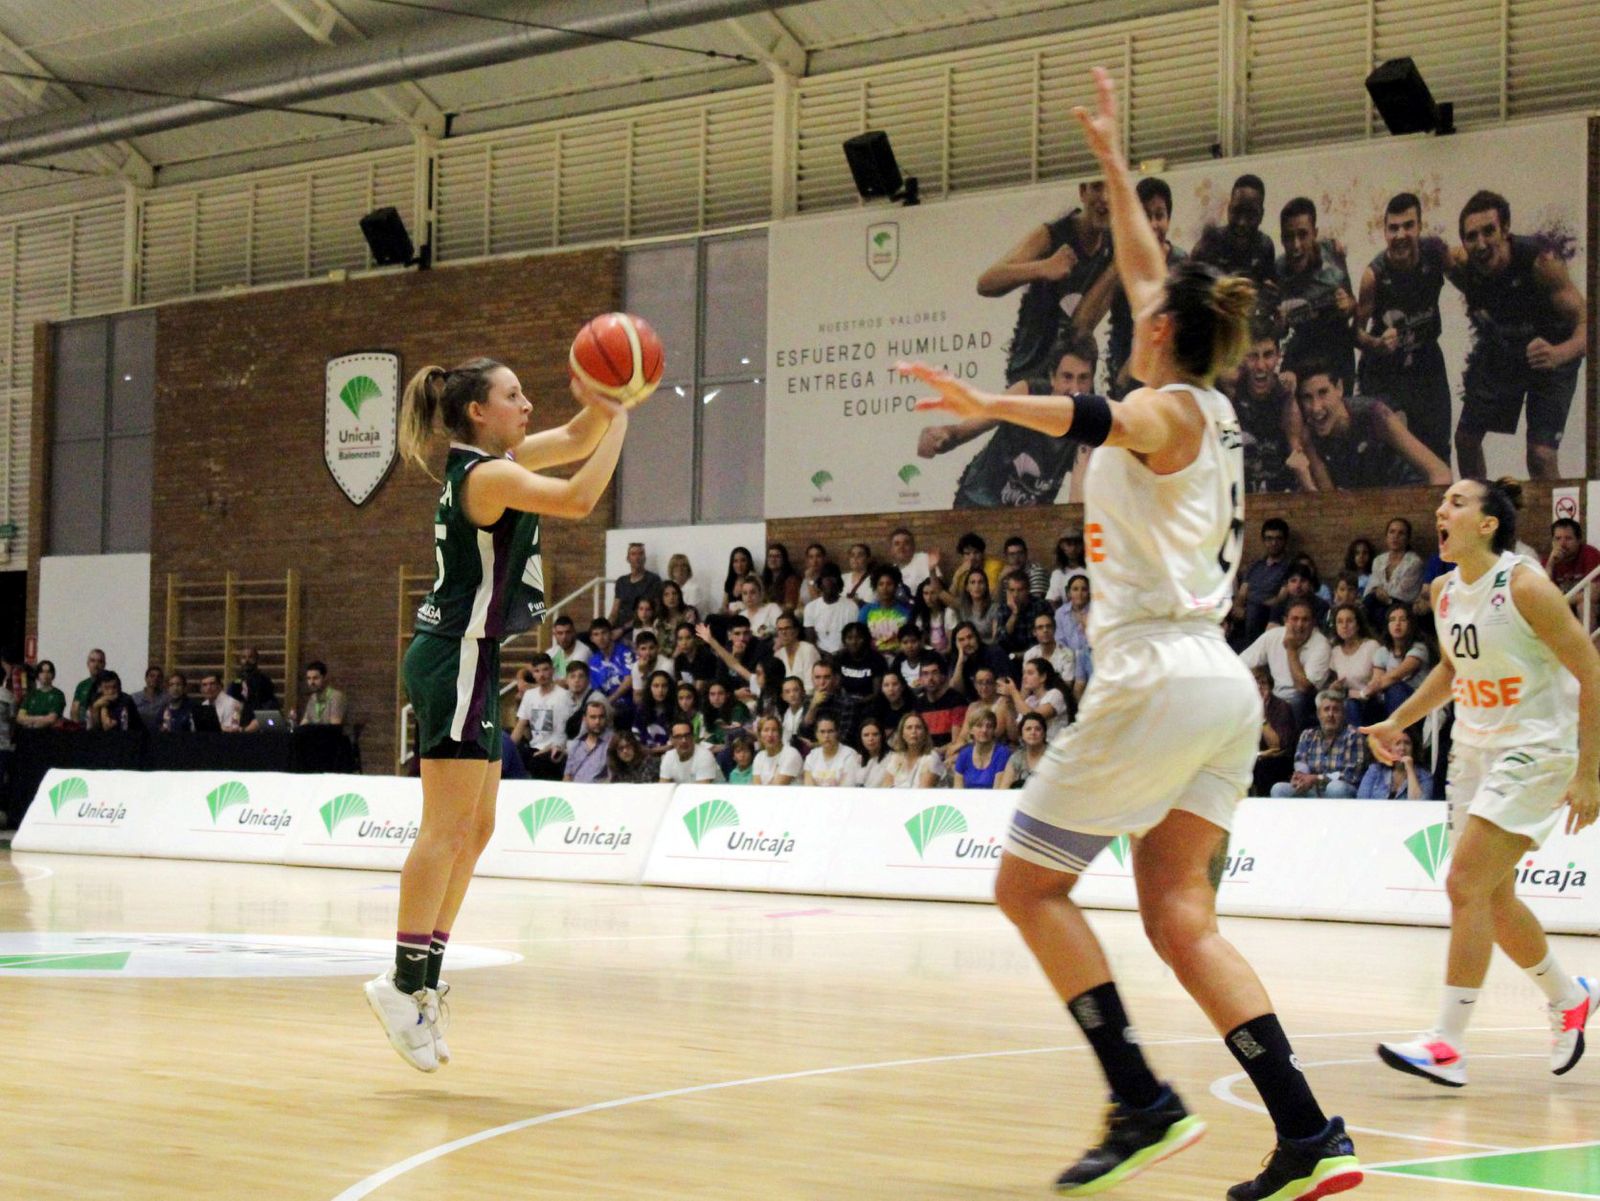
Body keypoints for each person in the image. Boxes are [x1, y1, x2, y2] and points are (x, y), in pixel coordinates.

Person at [902, 69, 1357, 1199]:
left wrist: (988, 402)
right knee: (1179, 916)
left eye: (1144, 308)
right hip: (1218, 686)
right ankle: (1309, 1133)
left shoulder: (1158, 408)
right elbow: (1152, 274)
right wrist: (1112, 160)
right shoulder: (1211, 399)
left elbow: (1089, 412)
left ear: (1154, 333)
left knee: (1027, 888)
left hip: (1155, 671)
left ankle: (1141, 1099)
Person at [377, 355, 626, 1074]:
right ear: (478, 412)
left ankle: (423, 982)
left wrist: (607, 400)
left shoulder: (500, 462)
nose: (527, 404)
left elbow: (575, 437)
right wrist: (622, 415)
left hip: (475, 656)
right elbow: (579, 496)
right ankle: (401, 983)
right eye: (513, 395)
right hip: (453, 656)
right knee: (444, 828)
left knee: (477, 828)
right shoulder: (486, 476)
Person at [1366, 478, 1599, 1085]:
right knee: (1492, 899)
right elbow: (1452, 669)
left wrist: (1589, 771)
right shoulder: (1442, 591)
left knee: (1464, 882)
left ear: (1488, 524)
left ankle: (1447, 1043)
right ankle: (1569, 997)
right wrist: (1397, 718)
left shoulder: (1525, 586)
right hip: (1473, 753)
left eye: (1457, 503)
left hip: (1534, 749)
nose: (1440, 510)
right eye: (1442, 502)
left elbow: (1590, 668)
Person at [1445, 191, 1587, 480]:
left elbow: (1588, 323)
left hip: (1550, 354)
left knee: (1540, 456)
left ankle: (1559, 511)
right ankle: (1482, 506)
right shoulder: (1460, 264)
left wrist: (1559, 354)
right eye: (1471, 237)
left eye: (1489, 231)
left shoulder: (1542, 263)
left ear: (1505, 230)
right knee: (1465, 441)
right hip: (1504, 351)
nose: (1481, 244)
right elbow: (1420, 254)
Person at [918, 334, 1097, 509]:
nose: (1075, 389)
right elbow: (967, 429)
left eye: (1083, 378)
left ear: (1091, 381)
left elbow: (1078, 499)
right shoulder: (1027, 394)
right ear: (1052, 377)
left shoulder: (1090, 424)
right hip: (976, 504)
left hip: (1029, 519)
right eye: (1067, 377)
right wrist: (942, 437)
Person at [979, 178, 1116, 386]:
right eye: (1097, 187)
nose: (1104, 197)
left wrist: (1115, 270)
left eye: (1112, 189)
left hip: (1072, 376)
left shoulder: (1113, 248)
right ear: (1082, 192)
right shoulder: (1053, 235)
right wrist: (1044, 267)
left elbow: (1082, 325)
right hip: (1031, 371)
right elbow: (986, 282)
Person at [1356, 193, 1453, 467]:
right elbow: (1355, 333)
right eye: (1393, 228)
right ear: (1385, 232)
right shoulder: (1373, 276)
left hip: (1427, 364)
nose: (1400, 235)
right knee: (1391, 454)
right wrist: (1377, 344)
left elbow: (1469, 282)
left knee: (1438, 450)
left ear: (1420, 226)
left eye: (1408, 226)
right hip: (1385, 372)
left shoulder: (1435, 255)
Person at [1294, 362, 1451, 490]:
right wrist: (1305, 480)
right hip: (1369, 507)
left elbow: (1441, 473)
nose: (1316, 407)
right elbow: (1329, 499)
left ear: (1339, 388)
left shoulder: (1375, 414)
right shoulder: (1309, 436)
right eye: (1307, 397)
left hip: (1408, 495)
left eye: (1323, 393)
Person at [1106, 176, 1186, 398]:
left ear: (1168, 218)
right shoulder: (1122, 266)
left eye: (1159, 216)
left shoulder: (1182, 265)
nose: (1153, 224)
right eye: (1145, 216)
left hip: (1170, 375)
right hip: (1128, 375)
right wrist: (1122, 374)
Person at [1271, 197, 1355, 385]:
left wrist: (1347, 305)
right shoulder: (1276, 271)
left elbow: (1352, 304)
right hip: (1300, 355)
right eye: (1289, 237)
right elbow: (1277, 332)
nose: (1296, 245)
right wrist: (1279, 326)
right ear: (1281, 238)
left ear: (1314, 234)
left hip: (1337, 355)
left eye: (1303, 235)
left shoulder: (1333, 254)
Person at [1227, 320, 1303, 494]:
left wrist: (1311, 490)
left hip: (1282, 490)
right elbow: (1226, 451)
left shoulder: (1285, 393)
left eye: (1268, 355)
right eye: (1253, 356)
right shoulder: (1231, 391)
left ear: (1278, 356)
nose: (1261, 366)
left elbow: (1296, 448)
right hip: (1241, 490)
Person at [1240, 598, 1332, 734]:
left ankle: (1289, 746)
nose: (1299, 625)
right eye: (1295, 619)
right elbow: (1240, 664)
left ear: (1313, 623)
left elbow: (1304, 687)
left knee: (1298, 700)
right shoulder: (1273, 636)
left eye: (1305, 620)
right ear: (1286, 621)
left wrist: (1291, 650)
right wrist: (1259, 678)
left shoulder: (1321, 644)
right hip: (1275, 697)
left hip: (1305, 701)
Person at [1267, 691, 1365, 798]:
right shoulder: (1307, 735)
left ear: (1343, 715)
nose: (1330, 714)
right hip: (1312, 789)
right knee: (1279, 789)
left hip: (1342, 790)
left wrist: (1317, 779)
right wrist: (1300, 777)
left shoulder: (1353, 736)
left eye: (1336, 710)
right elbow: (1301, 763)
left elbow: (1351, 775)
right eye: (1326, 709)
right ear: (1318, 714)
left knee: (1335, 788)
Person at [1190, 173, 1277, 289]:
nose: (1242, 222)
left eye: (1250, 214)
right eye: (1237, 211)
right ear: (1229, 209)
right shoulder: (1209, 245)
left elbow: (1268, 289)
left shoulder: (1265, 247)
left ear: (1261, 215)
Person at [510, 653, 572, 780]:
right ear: (533, 674)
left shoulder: (564, 696)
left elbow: (566, 731)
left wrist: (554, 748)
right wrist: (508, 748)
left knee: (538, 763)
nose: (541, 675)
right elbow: (520, 725)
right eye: (537, 671)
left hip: (554, 749)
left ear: (552, 670)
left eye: (545, 669)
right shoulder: (529, 695)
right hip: (534, 747)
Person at [1365, 603, 1430, 720]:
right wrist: (1368, 691)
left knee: (1396, 688)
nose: (1397, 624)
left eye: (1403, 620)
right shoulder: (1382, 652)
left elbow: (1396, 676)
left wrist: (1370, 688)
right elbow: (1377, 680)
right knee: (1355, 704)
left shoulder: (1419, 648)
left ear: (1410, 624)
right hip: (1389, 702)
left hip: (1418, 704)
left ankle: (1399, 730)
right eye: (1392, 620)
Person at [1326, 604, 1380, 728]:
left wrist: (1348, 693)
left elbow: (1376, 685)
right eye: (1340, 622)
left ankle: (1356, 739)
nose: (1344, 625)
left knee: (1351, 705)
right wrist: (1334, 687)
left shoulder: (1372, 646)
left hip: (1369, 703)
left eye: (1349, 621)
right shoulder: (1335, 652)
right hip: (1345, 702)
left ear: (1358, 624)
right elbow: (1335, 684)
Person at [1364, 518, 1424, 628]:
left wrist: (1379, 592)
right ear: (1386, 536)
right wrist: (1376, 590)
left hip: (1402, 608)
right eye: (1392, 532)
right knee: (1368, 603)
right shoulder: (1378, 560)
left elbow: (1401, 594)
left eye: (1401, 533)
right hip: (1377, 605)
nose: (1395, 536)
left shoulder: (1414, 562)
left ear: (1407, 539)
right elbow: (1371, 587)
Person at [1250, 666, 1297, 797]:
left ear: (1270, 687)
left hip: (1277, 761)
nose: (1258, 687)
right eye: (1254, 683)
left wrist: (1262, 717)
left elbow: (1277, 746)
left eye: (1263, 683)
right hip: (1253, 757)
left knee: (1263, 767)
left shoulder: (1281, 707)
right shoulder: (1243, 707)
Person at [1546, 518, 1600, 625]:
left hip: (1590, 607)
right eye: (1558, 539)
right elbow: (1541, 591)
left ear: (1578, 540)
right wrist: (1550, 564)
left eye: (1568, 538)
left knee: (1584, 605)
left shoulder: (1590, 554)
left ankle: (1586, 637)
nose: (1562, 544)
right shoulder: (1550, 560)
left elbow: (1594, 594)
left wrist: (1561, 600)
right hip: (1564, 607)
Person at [1355, 728, 1432, 799]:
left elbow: (1419, 805)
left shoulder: (1424, 776)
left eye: (1407, 743)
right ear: (1389, 748)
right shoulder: (1375, 770)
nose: (1402, 748)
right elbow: (1361, 800)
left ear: (1413, 748)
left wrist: (1410, 769)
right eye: (1397, 743)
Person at [876, 711, 944, 789]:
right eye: (909, 727)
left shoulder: (931, 758)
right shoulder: (896, 757)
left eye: (918, 727)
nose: (913, 731)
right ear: (902, 734)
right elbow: (885, 787)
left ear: (925, 733)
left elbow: (923, 792)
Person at [1054, 572, 1093, 705]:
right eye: (1075, 589)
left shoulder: (1096, 610)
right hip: (1069, 659)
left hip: (1090, 657)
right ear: (1069, 592)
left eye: (1084, 589)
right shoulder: (1060, 613)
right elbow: (1059, 640)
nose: (1079, 593)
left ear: (1089, 592)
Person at [913, 653, 967, 748]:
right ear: (920, 679)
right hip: (926, 753)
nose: (930, 678)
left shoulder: (957, 701)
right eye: (925, 674)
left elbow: (957, 742)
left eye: (934, 673)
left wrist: (935, 753)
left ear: (942, 676)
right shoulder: (918, 704)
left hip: (950, 754)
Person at [952, 705, 1010, 789]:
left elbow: (998, 790)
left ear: (993, 730)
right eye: (979, 726)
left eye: (989, 726)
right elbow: (958, 788)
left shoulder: (1002, 753)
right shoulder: (964, 754)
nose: (984, 730)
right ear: (971, 730)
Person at [803, 565, 856, 655]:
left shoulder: (851, 607)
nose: (829, 581)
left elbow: (852, 640)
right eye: (826, 578)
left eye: (833, 577)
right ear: (820, 583)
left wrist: (837, 655)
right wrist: (825, 655)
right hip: (819, 655)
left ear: (839, 582)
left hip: (844, 655)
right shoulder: (810, 608)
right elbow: (811, 642)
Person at [861, 567, 913, 654]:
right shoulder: (866, 610)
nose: (885, 588)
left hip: (899, 657)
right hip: (873, 657)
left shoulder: (906, 611)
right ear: (875, 587)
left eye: (889, 584)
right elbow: (860, 637)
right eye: (881, 584)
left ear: (896, 587)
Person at [608, 541, 661, 625]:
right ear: (628, 558)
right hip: (619, 625)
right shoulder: (621, 581)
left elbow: (656, 609)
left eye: (640, 554)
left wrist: (624, 628)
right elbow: (614, 612)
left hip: (640, 626)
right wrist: (606, 627)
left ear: (644, 558)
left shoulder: (653, 580)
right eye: (633, 554)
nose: (637, 557)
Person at [803, 715, 862, 787]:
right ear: (816, 734)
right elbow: (809, 788)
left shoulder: (850, 755)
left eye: (830, 731)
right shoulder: (811, 757)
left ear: (837, 733)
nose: (826, 736)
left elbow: (846, 789)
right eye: (822, 732)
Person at [564, 699, 614, 784]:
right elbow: (567, 776)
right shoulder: (576, 744)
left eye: (601, 717)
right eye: (593, 717)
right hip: (574, 789)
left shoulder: (613, 743)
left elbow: (612, 779)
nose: (597, 722)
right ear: (584, 719)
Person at [995, 711, 1049, 790]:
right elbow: (1004, 789)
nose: (1033, 732)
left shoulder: (1054, 756)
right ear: (1021, 734)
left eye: (1037, 729)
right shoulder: (1016, 758)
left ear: (1044, 734)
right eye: (1028, 729)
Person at [750, 715, 801, 785]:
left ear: (780, 734)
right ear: (759, 735)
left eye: (774, 730)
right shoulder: (759, 757)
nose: (770, 734)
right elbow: (756, 786)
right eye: (766, 730)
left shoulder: (791, 754)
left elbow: (776, 789)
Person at [17, 659, 65, 729]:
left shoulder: (58, 694)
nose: (45, 675)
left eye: (48, 672)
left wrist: (29, 720)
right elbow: (19, 717)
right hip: (28, 732)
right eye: (42, 672)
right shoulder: (31, 694)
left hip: (50, 733)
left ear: (53, 675)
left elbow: (51, 719)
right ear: (38, 675)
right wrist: (41, 719)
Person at [297, 660, 348, 727]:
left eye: (315, 678)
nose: (311, 682)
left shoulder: (336, 697)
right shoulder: (313, 698)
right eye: (309, 678)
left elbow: (335, 728)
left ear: (325, 678)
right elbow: (304, 722)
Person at [69, 648, 106, 724]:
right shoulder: (82, 685)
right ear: (88, 664)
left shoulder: (109, 684)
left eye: (100, 661)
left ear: (104, 664)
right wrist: (77, 727)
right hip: (81, 726)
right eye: (93, 661)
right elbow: (74, 710)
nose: (96, 665)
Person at [761, 543, 802, 609]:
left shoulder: (791, 580)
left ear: (784, 559)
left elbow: (790, 606)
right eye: (770, 556)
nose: (773, 559)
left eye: (777, 556)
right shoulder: (763, 579)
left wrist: (768, 607)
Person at [855, 718, 890, 787]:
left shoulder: (892, 758)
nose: (870, 739)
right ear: (860, 738)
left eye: (875, 734)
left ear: (882, 736)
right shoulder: (856, 758)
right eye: (866, 735)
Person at [132, 665, 166, 730]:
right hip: (139, 732)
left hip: (159, 733)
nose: (155, 679)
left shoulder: (166, 698)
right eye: (152, 676)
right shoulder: (134, 698)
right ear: (146, 678)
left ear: (162, 680)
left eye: (159, 676)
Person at [841, 542, 874, 608]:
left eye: (860, 555)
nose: (855, 558)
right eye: (852, 555)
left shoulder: (873, 580)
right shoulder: (842, 578)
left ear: (868, 559)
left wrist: (860, 603)